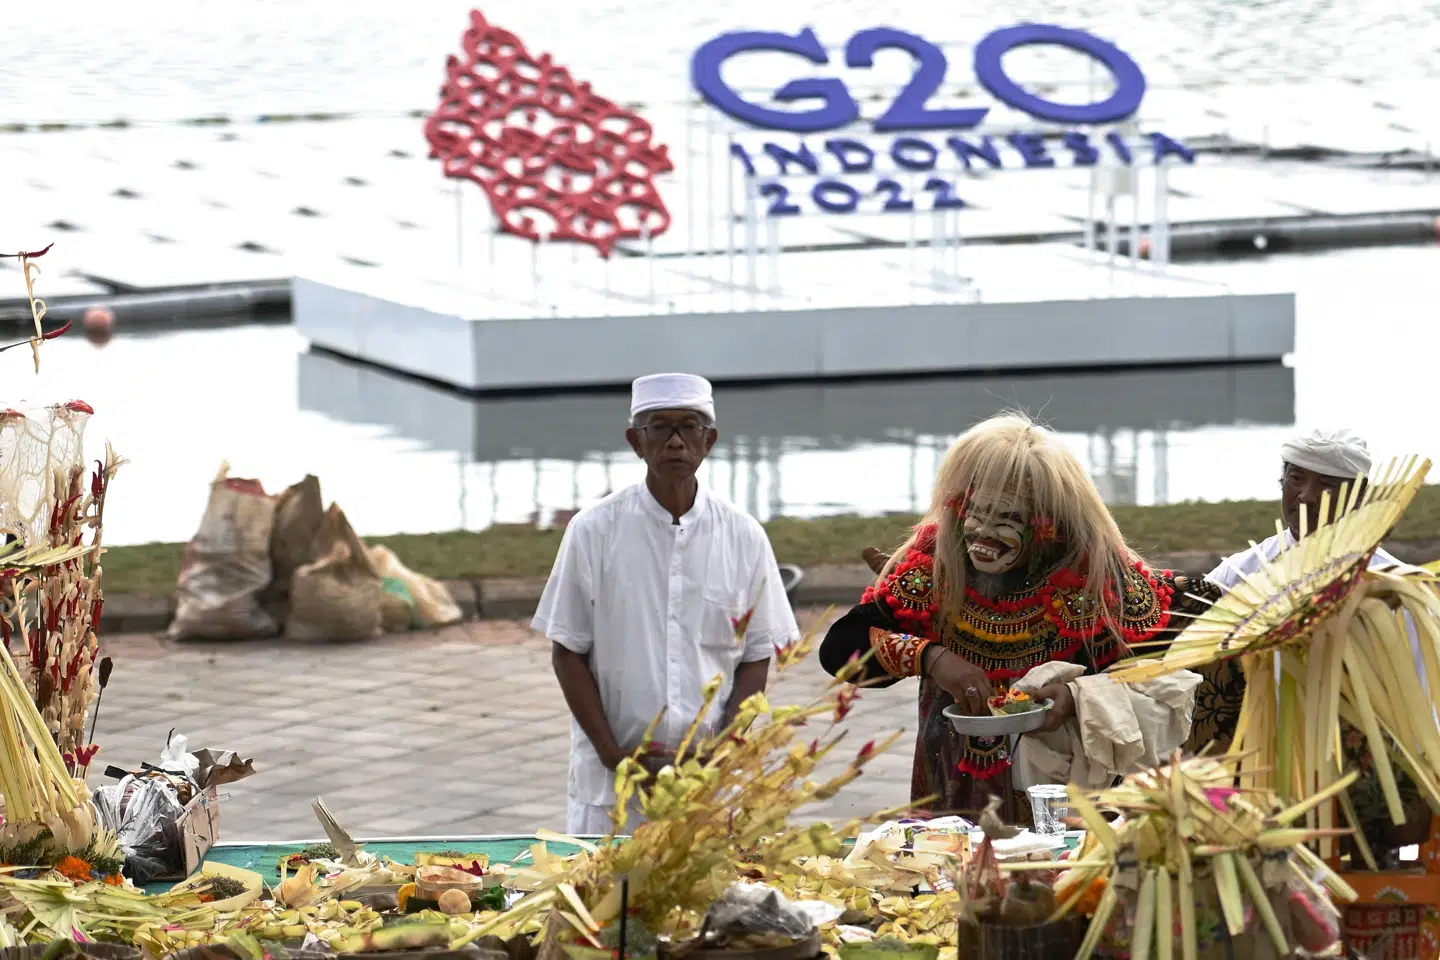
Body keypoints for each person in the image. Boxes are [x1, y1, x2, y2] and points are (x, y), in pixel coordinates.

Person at [819, 413, 1211, 820]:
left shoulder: (1094, 577)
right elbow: (841, 650)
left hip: (1059, 792)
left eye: (1007, 521)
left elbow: (1155, 678)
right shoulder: (936, 565)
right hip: (949, 780)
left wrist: (1075, 700)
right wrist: (930, 657)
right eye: (977, 514)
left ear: (1048, 527)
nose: (984, 535)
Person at [532, 373, 799, 836]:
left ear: (709, 440)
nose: (676, 442)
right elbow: (568, 652)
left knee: (714, 906)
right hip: (613, 785)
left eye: (689, 427)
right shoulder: (593, 530)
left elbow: (756, 658)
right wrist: (616, 758)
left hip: (709, 786)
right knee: (605, 907)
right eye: (660, 428)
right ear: (636, 441)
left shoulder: (743, 536)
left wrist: (718, 752)